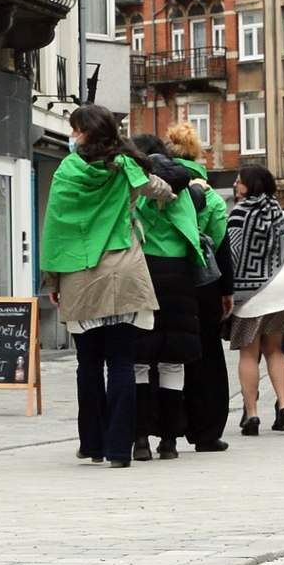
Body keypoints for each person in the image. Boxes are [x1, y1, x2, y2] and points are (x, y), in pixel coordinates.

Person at [40, 104, 179, 468]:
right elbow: (161, 189)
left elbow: (55, 230)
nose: (70, 137)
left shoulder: (66, 172)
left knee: (88, 364)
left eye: (74, 130)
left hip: (79, 275)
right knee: (120, 363)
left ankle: (93, 444)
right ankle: (120, 450)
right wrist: (172, 196)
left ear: (86, 133)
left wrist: (53, 279)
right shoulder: (125, 166)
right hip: (124, 274)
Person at [164, 124, 234, 453]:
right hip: (202, 285)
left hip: (164, 276)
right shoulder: (211, 197)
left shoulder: (161, 186)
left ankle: (167, 429)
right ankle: (206, 432)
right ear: (198, 154)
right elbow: (220, 246)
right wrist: (226, 290)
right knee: (207, 358)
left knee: (165, 355)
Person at [129, 133, 199, 461]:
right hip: (180, 274)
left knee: (139, 360)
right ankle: (170, 440)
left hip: (142, 271)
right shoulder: (184, 188)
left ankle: (140, 437)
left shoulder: (139, 184)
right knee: (173, 361)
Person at [226, 165, 284, 435]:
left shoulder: (238, 214)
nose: (236, 183)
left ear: (251, 184)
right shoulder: (280, 213)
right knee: (276, 350)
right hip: (281, 287)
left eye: (239, 180)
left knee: (249, 353)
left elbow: (233, 255)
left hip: (251, 292)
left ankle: (253, 414)